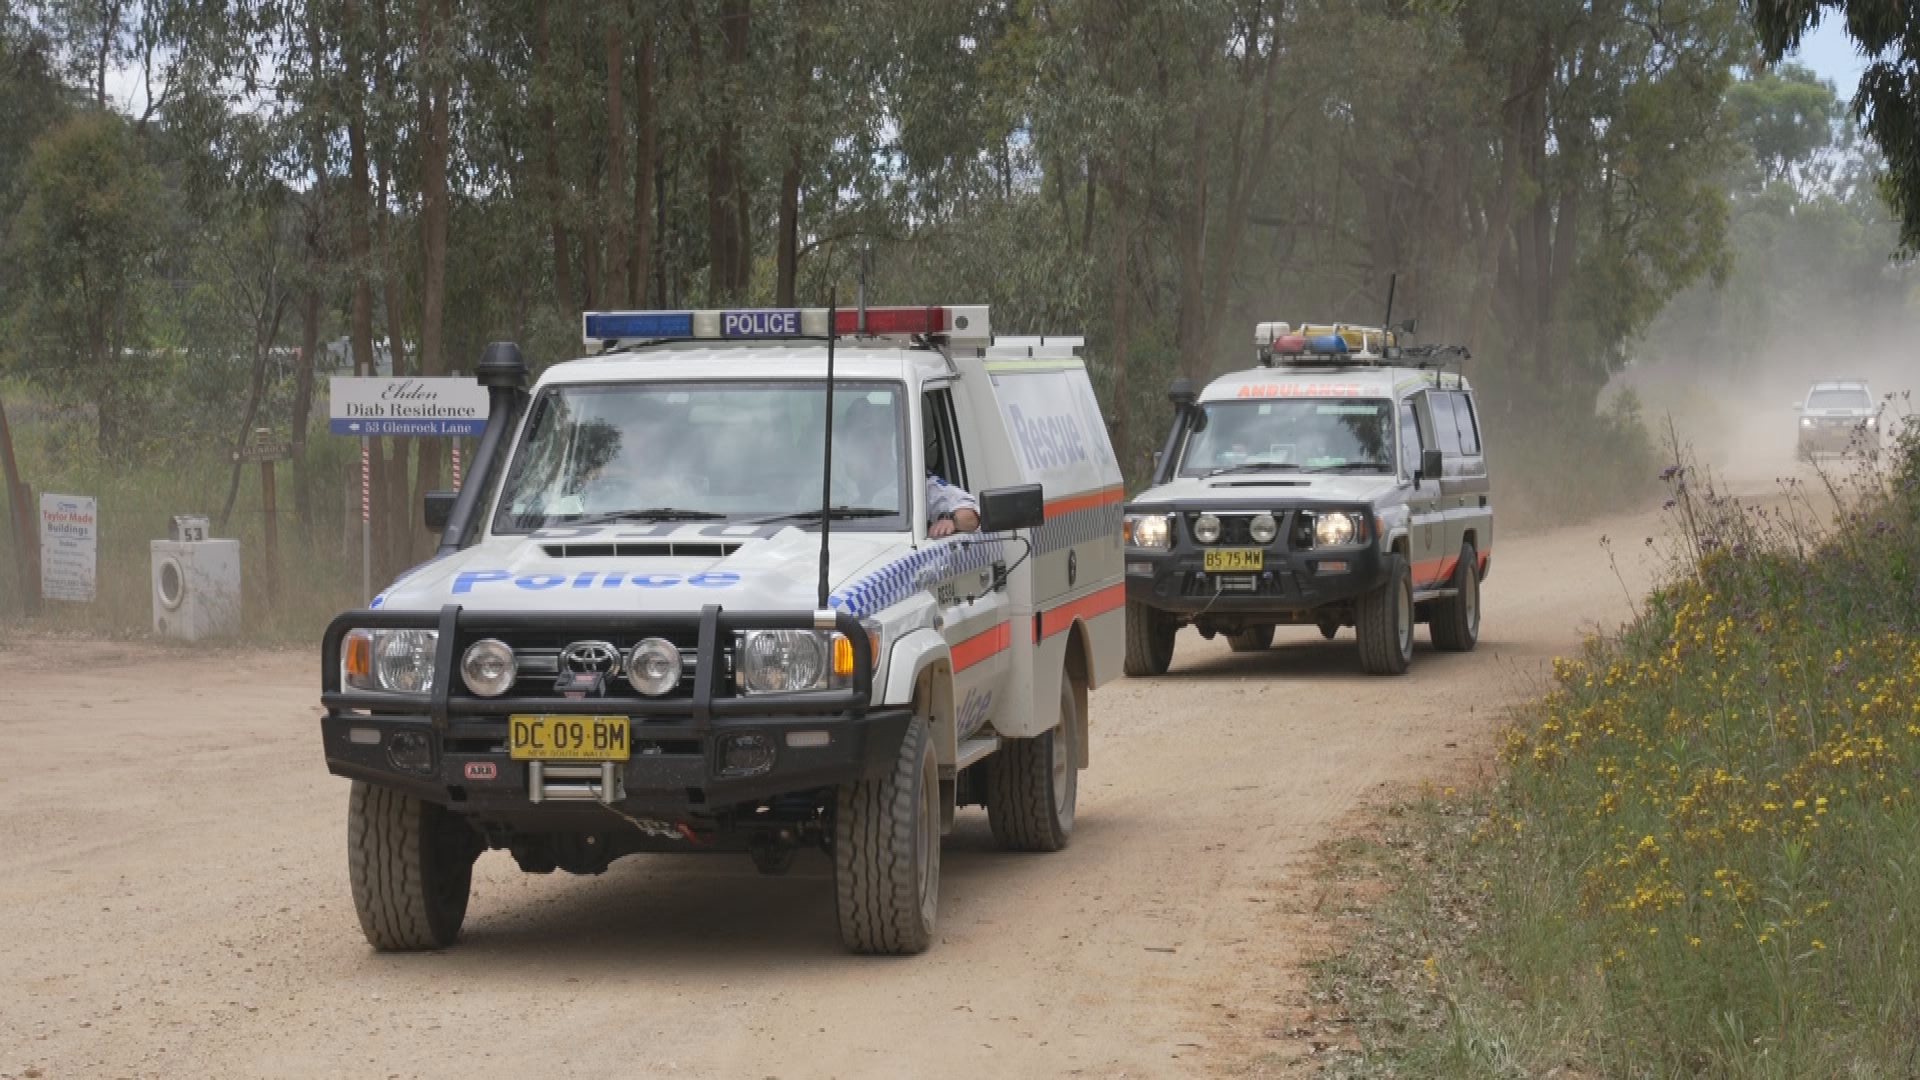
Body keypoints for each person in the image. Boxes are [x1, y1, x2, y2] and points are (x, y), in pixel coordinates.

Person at [836, 399, 979, 537]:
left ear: (888, 440)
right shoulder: (832, 487)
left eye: (871, 436)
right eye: (859, 439)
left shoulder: (913, 485)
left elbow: (971, 517)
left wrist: (951, 520)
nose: (867, 446)